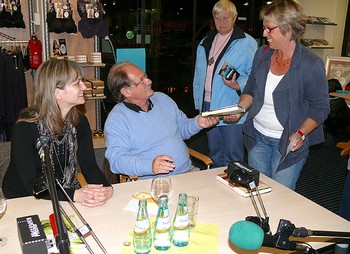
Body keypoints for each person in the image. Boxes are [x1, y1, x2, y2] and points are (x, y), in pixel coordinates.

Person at [224, 0, 330, 190]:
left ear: (288, 29)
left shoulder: (310, 64)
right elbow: (250, 90)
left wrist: (301, 132)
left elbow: (321, 108)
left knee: (280, 196)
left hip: (288, 145)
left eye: (269, 29)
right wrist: (240, 109)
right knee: (258, 190)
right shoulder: (262, 54)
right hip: (258, 138)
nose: (264, 34)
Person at [2, 59, 113, 207]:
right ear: (56, 92)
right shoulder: (26, 127)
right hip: (24, 199)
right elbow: (32, 184)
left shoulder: (80, 122)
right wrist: (75, 194)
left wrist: (107, 189)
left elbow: (89, 166)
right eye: (77, 83)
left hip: (65, 195)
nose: (84, 87)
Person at [104, 62, 219, 179]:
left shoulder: (162, 99)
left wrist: (198, 123)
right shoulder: (117, 119)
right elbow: (116, 160)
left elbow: (182, 129)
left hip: (188, 173)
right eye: (142, 81)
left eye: (146, 76)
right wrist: (150, 166)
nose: (149, 81)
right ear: (126, 91)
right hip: (152, 183)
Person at [192, 0, 258, 168]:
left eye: (225, 18)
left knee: (233, 155)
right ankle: (216, 187)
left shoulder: (247, 42)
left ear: (235, 18)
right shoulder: (205, 42)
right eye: (217, 18)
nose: (221, 22)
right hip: (207, 104)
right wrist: (198, 103)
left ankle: (233, 186)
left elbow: (255, 75)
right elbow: (199, 75)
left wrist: (238, 85)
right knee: (214, 152)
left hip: (231, 105)